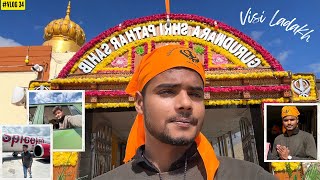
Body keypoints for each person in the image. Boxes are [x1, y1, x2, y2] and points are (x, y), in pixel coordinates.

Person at [93, 45, 275, 180]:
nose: (186, 103)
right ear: (140, 103)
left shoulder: (249, 175)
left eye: (195, 94)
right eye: (167, 91)